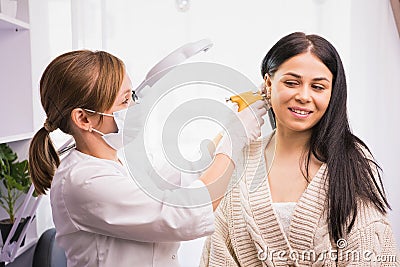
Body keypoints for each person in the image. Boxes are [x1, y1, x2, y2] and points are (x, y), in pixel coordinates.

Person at [27, 50, 267, 267]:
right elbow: (185, 212)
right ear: (83, 119)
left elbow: (178, 176)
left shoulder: (121, 159)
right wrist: (234, 141)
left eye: (132, 95)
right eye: (124, 101)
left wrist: (227, 132)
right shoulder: (84, 181)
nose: (135, 106)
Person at [200, 32, 399, 266]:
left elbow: (371, 255)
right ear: (268, 83)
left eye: (318, 87)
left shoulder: (351, 161)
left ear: (332, 92)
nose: (304, 96)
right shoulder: (239, 161)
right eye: (291, 83)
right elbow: (217, 251)